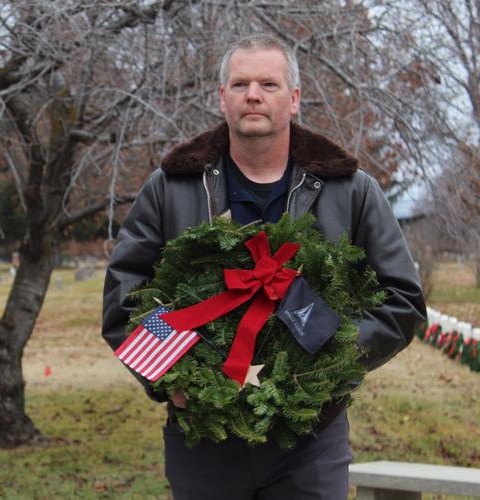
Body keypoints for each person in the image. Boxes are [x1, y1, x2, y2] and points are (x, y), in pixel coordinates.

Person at [101, 34, 426, 499]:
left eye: (269, 84)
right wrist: (176, 376)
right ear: (222, 98)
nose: (253, 94)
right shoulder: (170, 188)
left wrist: (331, 364)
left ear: (293, 100)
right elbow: (125, 295)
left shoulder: (351, 190)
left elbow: (403, 300)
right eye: (240, 84)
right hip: (205, 436)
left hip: (312, 440)